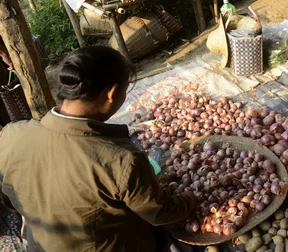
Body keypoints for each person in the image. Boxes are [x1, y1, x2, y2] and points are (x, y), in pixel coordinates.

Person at [0, 46, 197, 251]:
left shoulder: (10, 135)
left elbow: (8, 199)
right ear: (112, 93)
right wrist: (191, 198)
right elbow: (160, 213)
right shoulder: (120, 159)